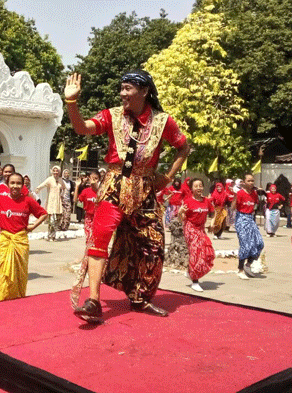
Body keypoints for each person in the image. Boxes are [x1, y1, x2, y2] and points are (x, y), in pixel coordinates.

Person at [65, 70, 190, 322]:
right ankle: (94, 302)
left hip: (144, 189)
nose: (122, 93)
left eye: (128, 89)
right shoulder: (111, 115)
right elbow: (81, 128)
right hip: (113, 186)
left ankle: (140, 299)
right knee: (99, 240)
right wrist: (72, 102)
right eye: (121, 88)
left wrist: (166, 177)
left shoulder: (164, 121)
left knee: (153, 245)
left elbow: (183, 147)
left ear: (144, 92)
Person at [0, 173, 47, 300]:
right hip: (5, 240)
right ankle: (4, 299)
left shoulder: (28, 201)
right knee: (5, 273)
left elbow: (44, 214)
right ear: (7, 184)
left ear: (23, 185)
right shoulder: (0, 200)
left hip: (20, 240)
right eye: (12, 183)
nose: (15, 186)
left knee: (20, 273)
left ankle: (19, 299)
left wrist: (33, 226)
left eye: (18, 183)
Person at [0, 164, 31, 283]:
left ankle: (11, 274)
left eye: (10, 171)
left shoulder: (21, 188)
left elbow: (30, 202)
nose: (7, 173)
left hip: (15, 226)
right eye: (5, 171)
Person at [178, 178, 215, 291]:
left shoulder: (206, 201)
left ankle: (191, 272)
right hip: (190, 228)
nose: (199, 188)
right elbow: (182, 219)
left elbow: (213, 213)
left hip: (201, 229)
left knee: (208, 253)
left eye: (200, 185)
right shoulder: (188, 201)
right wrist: (180, 212)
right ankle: (195, 281)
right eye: (196, 186)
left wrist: (212, 224)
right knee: (196, 252)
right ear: (192, 189)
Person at [70, 170, 100, 306]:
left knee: (98, 243)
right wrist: (76, 187)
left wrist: (97, 187)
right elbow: (76, 200)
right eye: (91, 178)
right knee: (89, 241)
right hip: (89, 218)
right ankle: (87, 261)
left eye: (96, 178)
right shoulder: (86, 191)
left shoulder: (102, 191)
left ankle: (95, 263)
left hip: (100, 219)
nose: (93, 180)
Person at [231, 174, 264, 279]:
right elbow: (233, 208)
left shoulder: (254, 194)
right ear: (244, 182)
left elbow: (255, 206)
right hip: (241, 219)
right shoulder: (240, 193)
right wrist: (235, 197)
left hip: (250, 219)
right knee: (245, 244)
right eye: (249, 181)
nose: (251, 182)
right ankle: (240, 270)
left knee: (259, 243)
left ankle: (248, 264)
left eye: (252, 181)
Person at [36, 166, 65, 242]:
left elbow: (64, 188)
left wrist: (62, 195)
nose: (55, 172)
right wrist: (38, 189)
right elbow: (43, 185)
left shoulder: (60, 180)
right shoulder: (50, 179)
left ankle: (53, 235)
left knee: (57, 220)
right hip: (51, 201)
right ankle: (50, 236)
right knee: (52, 220)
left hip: (58, 201)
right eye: (54, 171)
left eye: (57, 171)